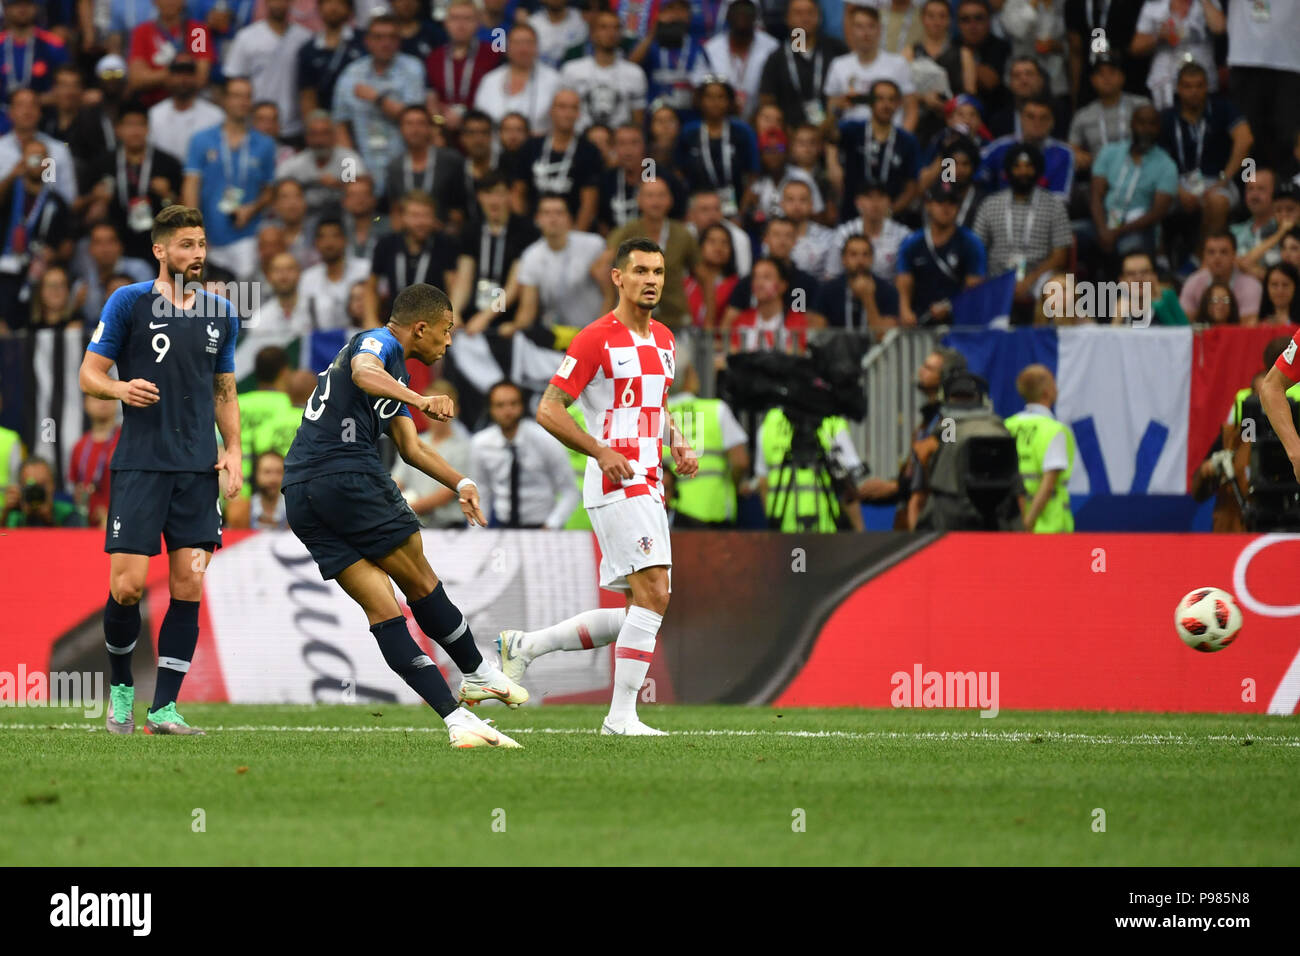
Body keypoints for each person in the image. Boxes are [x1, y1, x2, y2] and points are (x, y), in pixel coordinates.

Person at [281, 282, 527, 748]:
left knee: (382, 609)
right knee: (420, 581)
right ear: (421, 328)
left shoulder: (397, 377)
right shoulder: (380, 343)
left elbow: (411, 448)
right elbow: (362, 370)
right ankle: (475, 672)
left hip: (301, 493)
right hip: (345, 475)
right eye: (446, 330)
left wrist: (462, 482)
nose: (449, 340)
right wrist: (421, 400)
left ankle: (456, 719)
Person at [499, 237, 698, 736]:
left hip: (649, 481)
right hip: (615, 482)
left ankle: (527, 646)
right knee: (655, 594)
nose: (651, 280)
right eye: (641, 271)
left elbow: (657, 405)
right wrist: (600, 450)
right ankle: (620, 717)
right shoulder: (594, 339)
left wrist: (677, 441)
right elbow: (547, 409)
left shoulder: (667, 341)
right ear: (618, 278)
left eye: (658, 272)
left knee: (643, 604)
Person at [77, 204, 243, 737]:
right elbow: (89, 373)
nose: (196, 254)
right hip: (141, 466)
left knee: (188, 585)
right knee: (126, 588)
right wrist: (120, 388)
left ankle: (165, 709)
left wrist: (233, 447)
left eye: (200, 244)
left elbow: (224, 388)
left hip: (197, 471)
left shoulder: (221, 312)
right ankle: (122, 691)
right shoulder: (128, 302)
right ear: (161, 251)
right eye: (186, 246)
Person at [182, 77, 278, 279]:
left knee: (245, 301)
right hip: (211, 235)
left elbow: (270, 191)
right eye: (236, 96)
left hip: (247, 235)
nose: (243, 102)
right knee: (213, 302)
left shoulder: (265, 144)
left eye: (247, 97)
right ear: (224, 100)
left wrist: (252, 208)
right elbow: (191, 186)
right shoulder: (202, 140)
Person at [331, 13, 427, 196]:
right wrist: (351, 176)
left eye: (392, 37)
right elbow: (340, 127)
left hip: (405, 165)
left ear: (399, 41)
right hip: (364, 166)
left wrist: (377, 99)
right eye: (378, 37)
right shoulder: (351, 74)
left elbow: (414, 119)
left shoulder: (412, 69)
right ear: (367, 41)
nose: (385, 43)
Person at [468, 380, 580, 528]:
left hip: (542, 525)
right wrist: (475, 534)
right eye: (500, 405)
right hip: (503, 526)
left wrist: (552, 525)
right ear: (491, 409)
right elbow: (481, 492)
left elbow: (570, 491)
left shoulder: (545, 440)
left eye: (513, 404)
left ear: (522, 406)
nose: (507, 411)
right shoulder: (480, 443)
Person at [663, 361, 748, 527]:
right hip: (715, 513)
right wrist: (734, 487)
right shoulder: (716, 410)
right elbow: (740, 462)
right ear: (689, 375)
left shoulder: (655, 418)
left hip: (672, 517)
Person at [895, 182, 987, 326]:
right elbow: (904, 280)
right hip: (920, 319)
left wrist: (951, 306)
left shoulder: (971, 243)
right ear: (928, 205)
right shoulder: (912, 242)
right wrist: (905, 310)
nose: (946, 208)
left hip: (958, 322)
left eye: (951, 203)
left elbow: (974, 287)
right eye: (940, 202)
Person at [391, 380, 474, 529]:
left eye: (443, 406)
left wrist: (407, 508)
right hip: (413, 523)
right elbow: (397, 481)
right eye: (431, 406)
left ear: (456, 409)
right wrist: (388, 502)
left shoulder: (465, 447)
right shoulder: (412, 441)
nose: (436, 411)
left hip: (449, 527)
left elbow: (448, 492)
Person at [1004, 364, 1075, 533]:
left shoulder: (1007, 425)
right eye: (1053, 384)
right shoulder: (1054, 430)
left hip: (1011, 523)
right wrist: (1028, 524)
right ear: (1047, 393)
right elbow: (1048, 484)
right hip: (1047, 527)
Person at [1179, 231, 1262, 324]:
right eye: (1211, 252)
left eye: (1224, 252)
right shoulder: (1193, 282)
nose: (1217, 257)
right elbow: (1184, 323)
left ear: (1234, 255)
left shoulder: (1251, 286)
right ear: (1204, 256)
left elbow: (1248, 327)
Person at [68, 394, 122, 530]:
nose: (103, 402)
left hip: (120, 525)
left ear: (116, 403)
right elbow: (76, 487)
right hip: (87, 528)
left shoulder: (127, 442)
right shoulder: (79, 447)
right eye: (97, 397)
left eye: (108, 397)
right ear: (85, 404)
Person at [4, 457, 85, 528]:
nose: (36, 492)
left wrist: (49, 519)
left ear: (53, 485)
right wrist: (5, 514)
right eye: (31, 486)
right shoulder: (14, 515)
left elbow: (77, 542)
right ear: (20, 487)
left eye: (42, 485)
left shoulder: (68, 514)